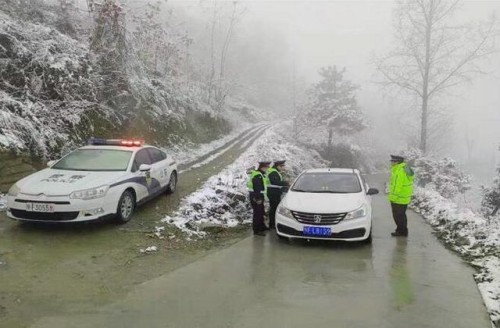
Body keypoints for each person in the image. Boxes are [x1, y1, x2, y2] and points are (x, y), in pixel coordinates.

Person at [388, 155, 415, 237]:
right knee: (402, 215)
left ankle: (401, 231)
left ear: (397, 162)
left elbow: (397, 186)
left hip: (398, 198)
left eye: (393, 161)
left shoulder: (399, 171)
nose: (391, 162)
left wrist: (392, 198)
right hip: (404, 198)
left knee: (397, 216)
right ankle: (403, 230)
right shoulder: (405, 169)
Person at [247, 161, 271, 236]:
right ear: (263, 167)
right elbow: (257, 187)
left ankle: (262, 226)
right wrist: (258, 198)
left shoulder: (260, 174)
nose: (268, 169)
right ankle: (257, 230)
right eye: (267, 167)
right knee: (257, 213)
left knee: (261, 212)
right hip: (256, 196)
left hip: (258, 196)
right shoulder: (258, 175)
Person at [267, 160, 289, 229]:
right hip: (273, 192)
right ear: (278, 166)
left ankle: (273, 223)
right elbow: (275, 182)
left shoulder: (274, 171)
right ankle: (272, 224)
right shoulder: (273, 172)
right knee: (274, 208)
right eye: (282, 166)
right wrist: (286, 183)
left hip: (274, 192)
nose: (283, 168)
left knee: (274, 208)